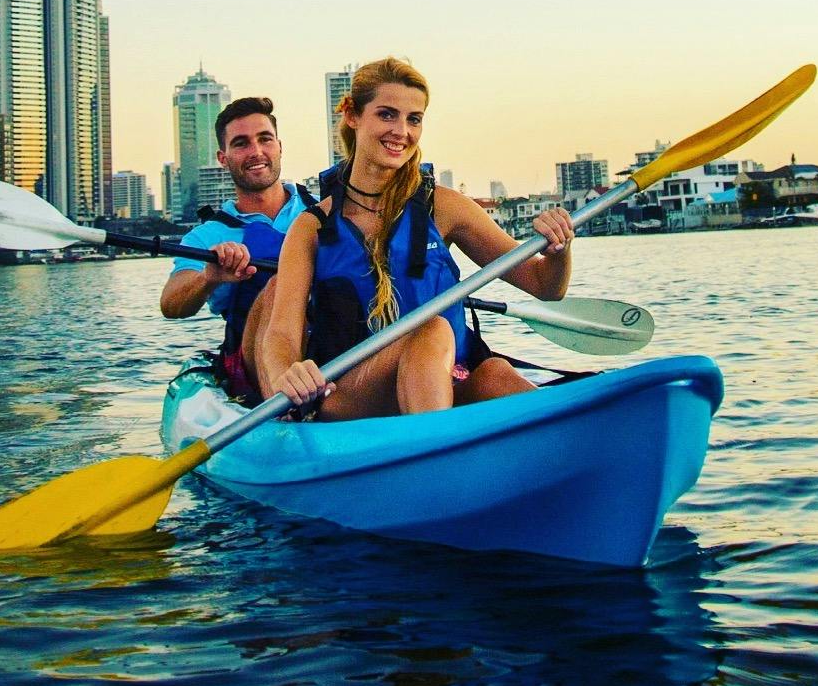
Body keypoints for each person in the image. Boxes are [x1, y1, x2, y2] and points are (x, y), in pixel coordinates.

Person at [258, 56, 576, 419]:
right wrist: (288, 372)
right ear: (353, 116)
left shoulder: (445, 207)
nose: (401, 131)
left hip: (444, 380)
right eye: (386, 114)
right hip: (351, 394)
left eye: (414, 119)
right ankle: (435, 457)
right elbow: (281, 333)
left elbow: (545, 286)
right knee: (432, 331)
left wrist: (558, 250)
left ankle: (567, 440)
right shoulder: (312, 226)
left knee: (496, 374)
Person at [158, 95, 310, 398]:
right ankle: (286, 410)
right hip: (256, 367)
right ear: (223, 157)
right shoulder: (208, 236)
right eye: (241, 143)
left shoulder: (324, 212)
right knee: (276, 287)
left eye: (265, 139)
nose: (256, 152)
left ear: (279, 146)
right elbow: (171, 305)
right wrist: (208, 278)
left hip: (333, 351)